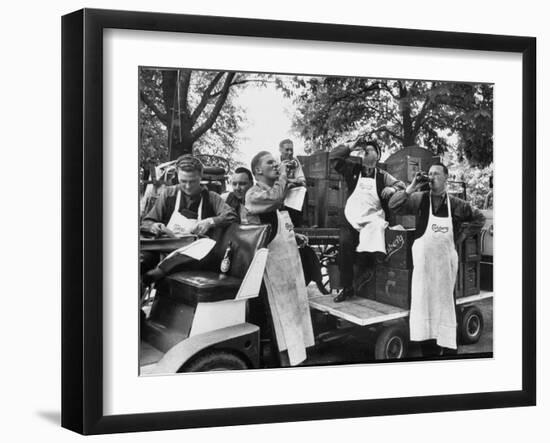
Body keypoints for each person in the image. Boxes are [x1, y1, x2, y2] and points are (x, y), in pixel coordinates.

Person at [389, 163, 485, 356]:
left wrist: (462, 235)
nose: (432, 177)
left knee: (446, 314)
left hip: (445, 274)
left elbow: (479, 218)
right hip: (424, 274)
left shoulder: (457, 204)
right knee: (426, 316)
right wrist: (411, 187)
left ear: (446, 177)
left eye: (436, 174)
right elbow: (393, 205)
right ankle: (429, 355)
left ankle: (449, 354)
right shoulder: (419, 199)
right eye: (430, 173)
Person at [243, 150, 315, 367]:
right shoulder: (253, 194)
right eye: (270, 163)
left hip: (287, 262)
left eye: (276, 162)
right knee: (279, 318)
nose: (276, 165)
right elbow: (274, 201)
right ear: (257, 170)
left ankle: (298, 358)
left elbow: (278, 220)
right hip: (271, 267)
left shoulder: (277, 191)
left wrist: (294, 233)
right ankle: (283, 365)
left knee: (295, 310)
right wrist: (284, 175)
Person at [140, 154, 237, 282]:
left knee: (203, 247)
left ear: (200, 177)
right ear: (177, 177)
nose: (187, 186)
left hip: (193, 253)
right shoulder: (169, 193)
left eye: (192, 181)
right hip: (166, 247)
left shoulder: (211, 197)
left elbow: (231, 215)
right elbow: (147, 221)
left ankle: (160, 271)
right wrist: (153, 226)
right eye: (183, 181)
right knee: (141, 262)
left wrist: (210, 222)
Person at [329, 139, 405, 302]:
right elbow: (334, 159)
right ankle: (347, 287)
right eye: (364, 150)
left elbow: (402, 186)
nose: (366, 152)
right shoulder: (353, 169)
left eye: (370, 150)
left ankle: (369, 275)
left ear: (377, 155)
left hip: (372, 218)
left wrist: (392, 188)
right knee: (345, 244)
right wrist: (350, 147)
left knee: (372, 244)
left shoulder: (383, 176)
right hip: (351, 217)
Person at [279, 139, 306, 226]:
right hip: (279, 188)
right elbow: (275, 179)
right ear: (280, 150)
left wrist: (290, 182)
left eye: (291, 150)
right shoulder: (275, 160)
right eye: (287, 150)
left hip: (292, 188)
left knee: (303, 190)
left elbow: (302, 180)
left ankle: (299, 222)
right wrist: (288, 182)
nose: (290, 152)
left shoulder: (295, 161)